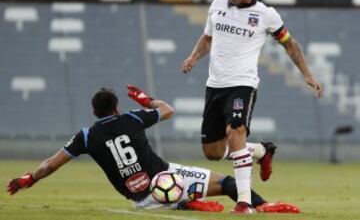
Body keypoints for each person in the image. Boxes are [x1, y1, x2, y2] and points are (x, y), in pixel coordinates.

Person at [6, 86, 299, 214]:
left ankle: (183, 203)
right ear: (116, 107)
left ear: (94, 111)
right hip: (165, 178)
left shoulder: (86, 136)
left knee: (181, 191)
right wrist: (145, 99)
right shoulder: (131, 118)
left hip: (141, 199)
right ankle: (261, 205)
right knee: (228, 183)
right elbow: (168, 110)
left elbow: (51, 164)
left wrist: (28, 179)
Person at [181, 0, 323, 214]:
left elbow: (290, 45)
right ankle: (260, 150)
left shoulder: (266, 14)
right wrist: (193, 57)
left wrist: (308, 74)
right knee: (212, 151)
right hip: (215, 86)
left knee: (235, 132)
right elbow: (208, 38)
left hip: (242, 84)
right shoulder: (217, 7)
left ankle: (244, 202)